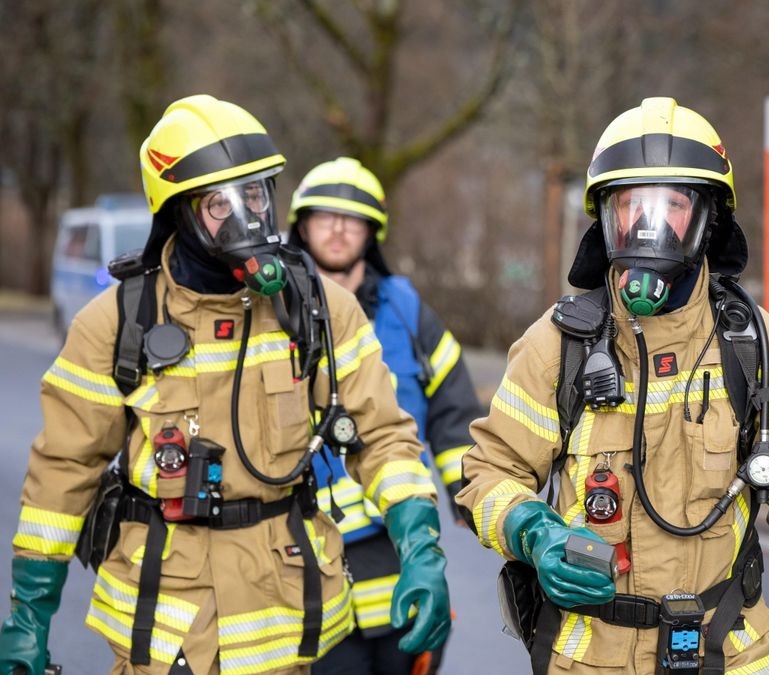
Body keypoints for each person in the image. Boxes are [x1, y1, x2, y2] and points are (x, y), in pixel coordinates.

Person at [0, 95, 451, 675]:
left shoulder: (318, 309)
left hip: (286, 626)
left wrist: (421, 547)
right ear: (179, 212)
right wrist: (28, 617)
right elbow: (61, 477)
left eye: (257, 194)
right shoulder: (115, 324)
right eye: (221, 204)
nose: (249, 218)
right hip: (163, 634)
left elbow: (384, 436)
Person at [456, 97, 769, 674]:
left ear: (707, 220)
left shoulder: (762, 350)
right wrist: (533, 531)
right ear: (605, 220)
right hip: (591, 660)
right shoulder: (557, 346)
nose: (648, 227)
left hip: (728, 652)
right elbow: (489, 475)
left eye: (671, 205)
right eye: (630, 205)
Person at [286, 157, 484, 674]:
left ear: (372, 232)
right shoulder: (273, 308)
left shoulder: (404, 308)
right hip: (304, 534)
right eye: (324, 216)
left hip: (395, 528)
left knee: (408, 649)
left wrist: (467, 492)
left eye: (351, 218)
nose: (336, 228)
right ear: (301, 226)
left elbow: (451, 405)